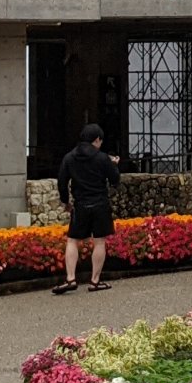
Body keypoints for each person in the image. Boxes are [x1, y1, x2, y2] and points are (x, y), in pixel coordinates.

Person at [55, 123, 121, 294]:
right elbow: (115, 179)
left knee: (72, 240)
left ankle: (70, 279)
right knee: (99, 241)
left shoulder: (69, 157)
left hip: (80, 204)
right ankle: (95, 281)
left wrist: (66, 202)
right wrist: (113, 164)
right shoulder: (101, 158)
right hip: (100, 203)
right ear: (97, 139)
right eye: (100, 140)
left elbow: (62, 182)